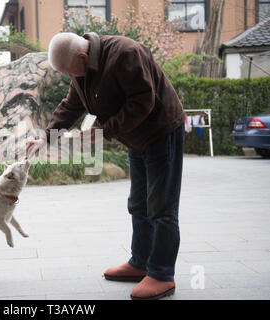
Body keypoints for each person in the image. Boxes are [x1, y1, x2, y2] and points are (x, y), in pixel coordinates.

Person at [25, 32, 185, 300]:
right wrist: (47, 136)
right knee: (139, 204)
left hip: (161, 133)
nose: (68, 77)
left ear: (82, 56)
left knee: (161, 207)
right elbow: (72, 105)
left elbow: (142, 102)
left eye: (68, 70)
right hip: (135, 139)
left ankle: (161, 274)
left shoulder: (126, 54)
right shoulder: (81, 71)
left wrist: (103, 130)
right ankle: (140, 263)